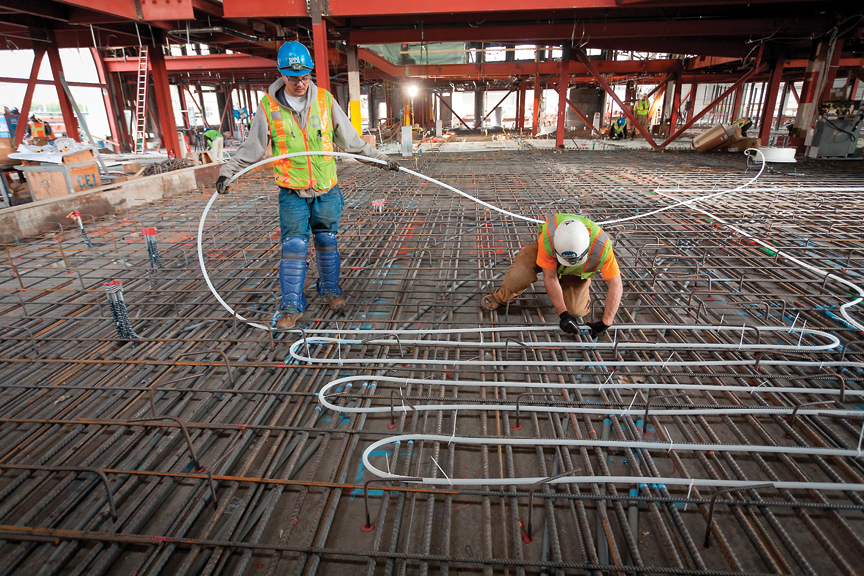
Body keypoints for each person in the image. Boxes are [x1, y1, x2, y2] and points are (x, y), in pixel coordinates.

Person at [216, 41, 400, 330]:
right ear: (282, 74)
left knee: (326, 240)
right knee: (294, 246)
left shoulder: (325, 101)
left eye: (304, 77)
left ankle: (329, 290)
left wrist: (381, 160)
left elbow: (351, 142)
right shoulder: (269, 108)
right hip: (292, 192)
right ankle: (291, 303)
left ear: (310, 74)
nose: (300, 83)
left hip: (327, 190)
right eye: (293, 78)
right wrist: (228, 173)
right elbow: (251, 150)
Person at [481, 214, 623, 338]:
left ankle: (569, 286)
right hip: (547, 253)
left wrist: (606, 322)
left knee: (575, 311)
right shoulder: (549, 240)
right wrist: (563, 314)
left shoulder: (602, 248)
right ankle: (500, 297)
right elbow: (550, 277)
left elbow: (616, 283)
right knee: (518, 277)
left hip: (575, 272)